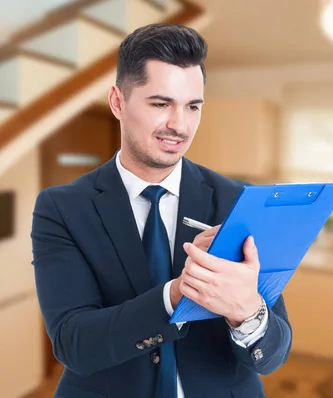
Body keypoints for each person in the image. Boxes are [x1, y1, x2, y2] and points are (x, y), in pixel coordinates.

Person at [30, 23, 292, 398]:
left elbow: (272, 355)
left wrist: (248, 312)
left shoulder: (238, 200)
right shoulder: (62, 208)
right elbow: (74, 343)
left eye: (192, 106)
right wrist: (178, 292)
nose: (179, 125)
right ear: (118, 102)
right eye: (161, 103)